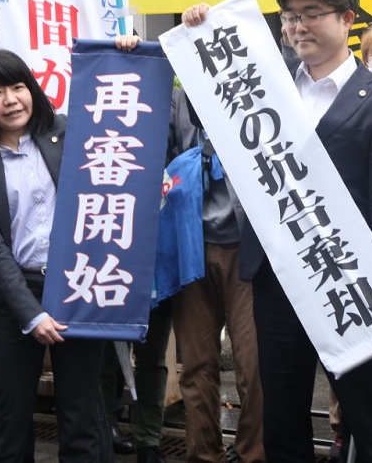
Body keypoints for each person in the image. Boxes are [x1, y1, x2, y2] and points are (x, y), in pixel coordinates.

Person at [182, 0, 372, 462]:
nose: (297, 27)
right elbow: (207, 83)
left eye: (312, 13)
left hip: (347, 282)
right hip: (276, 280)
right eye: (289, 16)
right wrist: (201, 26)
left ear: (347, 18)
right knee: (282, 420)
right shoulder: (266, 83)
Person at [0, 49, 111, 462]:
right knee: (10, 419)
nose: (10, 99)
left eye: (18, 87)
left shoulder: (70, 132)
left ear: (32, 89)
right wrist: (31, 313)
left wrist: (124, 52)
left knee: (81, 416)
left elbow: (119, 140)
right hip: (13, 293)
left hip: (76, 283)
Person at [162, 87, 264, 463]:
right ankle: (203, 453)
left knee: (253, 364)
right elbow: (155, 149)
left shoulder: (258, 89)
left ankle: (252, 452)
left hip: (248, 250)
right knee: (196, 363)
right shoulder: (177, 100)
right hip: (190, 245)